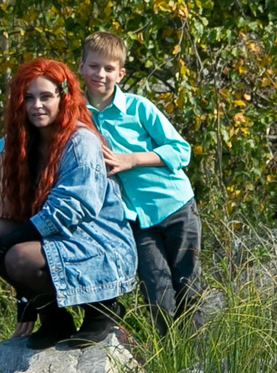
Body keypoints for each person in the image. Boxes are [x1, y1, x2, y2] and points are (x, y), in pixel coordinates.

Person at [0, 57, 138, 347]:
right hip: (58, 238)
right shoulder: (21, 142)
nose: (36, 105)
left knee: (16, 254)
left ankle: (103, 310)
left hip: (97, 246)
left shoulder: (81, 141)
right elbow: (18, 213)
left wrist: (0, 251)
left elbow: (67, 210)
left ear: (63, 97)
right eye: (28, 98)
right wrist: (24, 299)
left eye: (46, 97)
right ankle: (54, 319)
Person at [78, 32, 202, 331]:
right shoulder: (76, 115)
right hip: (133, 219)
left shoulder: (139, 107)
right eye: (94, 66)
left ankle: (198, 353)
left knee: (188, 284)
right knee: (156, 293)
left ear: (120, 73)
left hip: (174, 205)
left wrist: (132, 159)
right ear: (81, 67)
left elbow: (181, 150)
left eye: (109, 68)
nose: (100, 74)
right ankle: (169, 352)